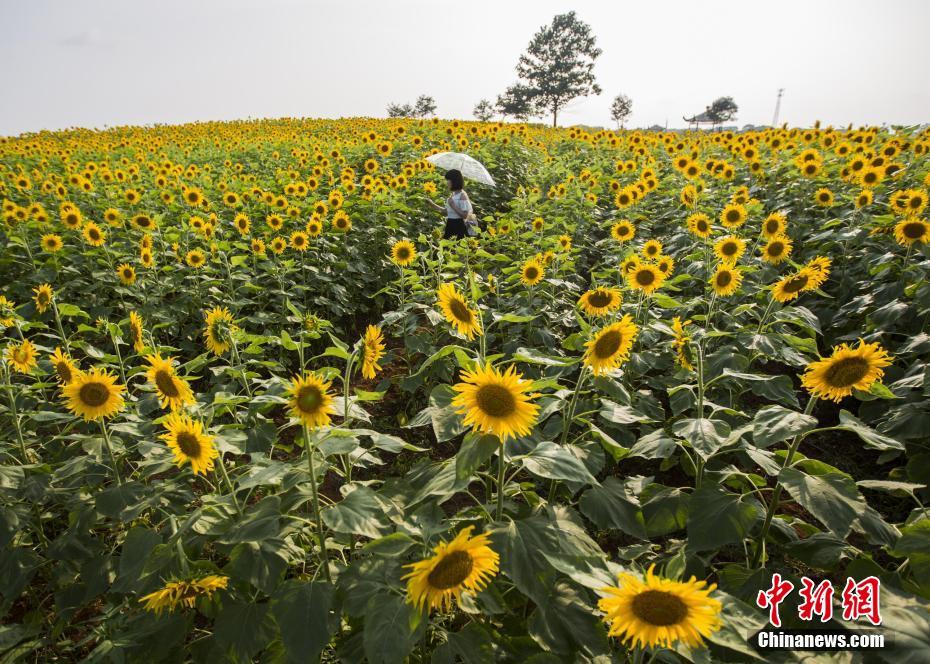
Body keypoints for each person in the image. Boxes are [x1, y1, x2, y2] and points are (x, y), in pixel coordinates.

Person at [426, 169, 472, 239]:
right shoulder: (453, 194)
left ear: (454, 181)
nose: (447, 182)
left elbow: (465, 215)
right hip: (450, 224)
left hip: (458, 226)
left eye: (448, 180)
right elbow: (446, 212)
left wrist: (453, 205)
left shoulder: (462, 195)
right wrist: (432, 204)